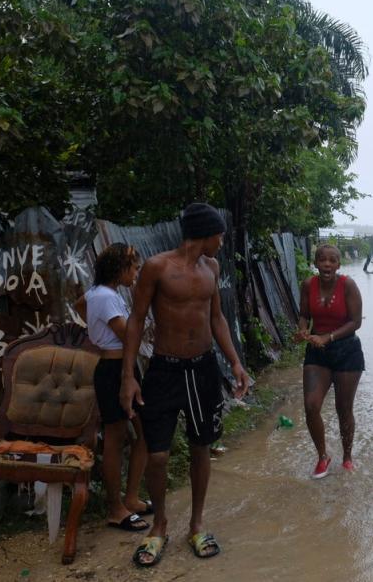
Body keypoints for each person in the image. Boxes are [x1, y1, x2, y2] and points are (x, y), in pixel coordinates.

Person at [119, 202, 249, 567]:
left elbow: (217, 319)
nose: (222, 242)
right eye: (219, 235)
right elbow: (135, 320)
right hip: (165, 369)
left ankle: (196, 524)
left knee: (200, 446)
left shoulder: (212, 267)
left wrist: (236, 363)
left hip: (203, 369)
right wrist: (128, 377)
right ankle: (159, 524)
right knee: (157, 454)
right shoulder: (158, 268)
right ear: (205, 234)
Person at [73, 243, 151, 532]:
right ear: (119, 269)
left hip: (117, 367)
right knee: (117, 438)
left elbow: (80, 304)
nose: (136, 272)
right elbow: (128, 333)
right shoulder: (107, 297)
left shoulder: (97, 294)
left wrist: (97, 332)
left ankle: (129, 497)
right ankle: (116, 508)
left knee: (142, 433)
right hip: (116, 371)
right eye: (133, 267)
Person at [296, 243, 364, 479]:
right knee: (311, 405)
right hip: (317, 353)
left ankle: (347, 457)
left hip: (347, 352)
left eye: (332, 260)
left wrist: (329, 336)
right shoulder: (308, 285)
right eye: (322, 260)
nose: (327, 264)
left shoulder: (348, 285)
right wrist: (303, 330)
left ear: (338, 264)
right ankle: (323, 456)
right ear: (315, 263)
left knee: (343, 409)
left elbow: (356, 322)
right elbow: (304, 314)